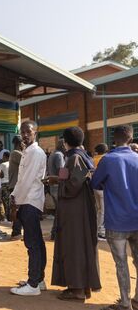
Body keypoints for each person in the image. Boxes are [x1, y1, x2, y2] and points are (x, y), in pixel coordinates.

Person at [50, 126, 101, 302]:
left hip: (74, 211)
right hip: (82, 209)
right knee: (82, 245)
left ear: (65, 142)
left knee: (74, 247)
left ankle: (77, 289)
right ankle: (83, 286)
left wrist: (58, 180)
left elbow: (73, 186)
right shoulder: (85, 156)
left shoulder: (74, 158)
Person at [91, 125, 138, 310]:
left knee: (121, 264)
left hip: (117, 220)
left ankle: (125, 303)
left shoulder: (108, 160)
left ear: (114, 138)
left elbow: (95, 183)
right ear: (131, 138)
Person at [9, 121, 47, 296]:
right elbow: (21, 179)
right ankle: (38, 280)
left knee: (32, 243)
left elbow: (27, 180)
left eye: (28, 132)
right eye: (22, 132)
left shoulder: (35, 152)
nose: (25, 135)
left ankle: (33, 284)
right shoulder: (28, 151)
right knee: (36, 242)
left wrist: (15, 200)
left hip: (29, 201)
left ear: (35, 133)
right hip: (27, 200)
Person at [47, 139, 65, 241]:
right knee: (61, 211)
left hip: (53, 186)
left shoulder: (54, 154)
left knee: (59, 211)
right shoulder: (59, 155)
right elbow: (61, 171)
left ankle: (55, 233)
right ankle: (55, 233)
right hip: (58, 186)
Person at [9, 135, 24, 241]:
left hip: (17, 185)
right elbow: (27, 162)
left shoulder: (16, 153)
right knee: (17, 209)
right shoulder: (16, 153)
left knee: (19, 209)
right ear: (20, 143)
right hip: (15, 186)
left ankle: (17, 231)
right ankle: (16, 232)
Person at [93, 143, 108, 240]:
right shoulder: (105, 159)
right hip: (102, 187)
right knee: (103, 211)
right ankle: (101, 231)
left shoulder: (93, 159)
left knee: (99, 210)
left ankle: (97, 229)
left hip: (95, 186)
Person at [0, 152, 11, 222]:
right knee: (9, 201)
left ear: (5, 157)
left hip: (3, 184)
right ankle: (10, 217)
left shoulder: (3, 164)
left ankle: (6, 217)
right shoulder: (11, 164)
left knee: (4, 202)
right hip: (9, 183)